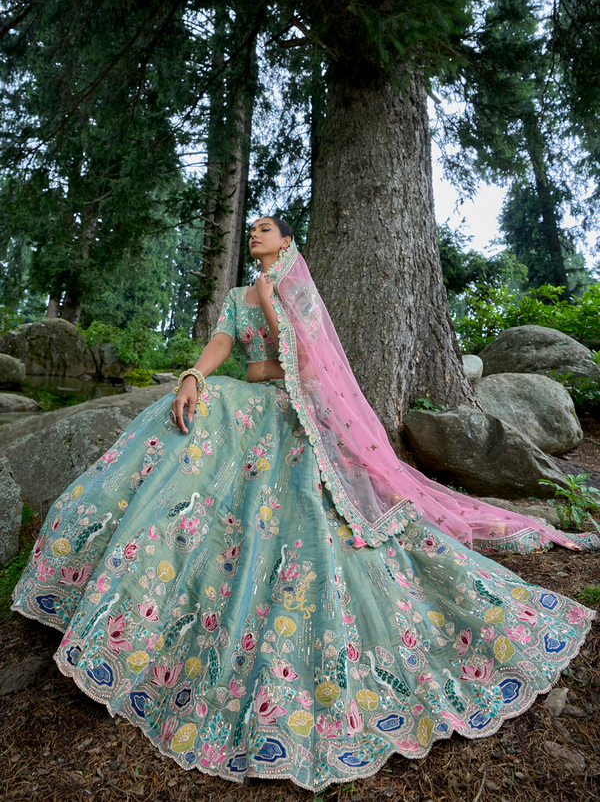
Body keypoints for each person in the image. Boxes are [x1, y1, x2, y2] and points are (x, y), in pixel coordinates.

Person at [12, 217, 597, 791]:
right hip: (246, 401)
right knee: (190, 429)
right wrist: (192, 374)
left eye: (266, 229)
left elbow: (313, 365)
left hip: (293, 416)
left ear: (287, 241)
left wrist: (271, 301)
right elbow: (222, 342)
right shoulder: (242, 292)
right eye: (253, 230)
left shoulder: (296, 291)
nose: (255, 235)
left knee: (312, 521)